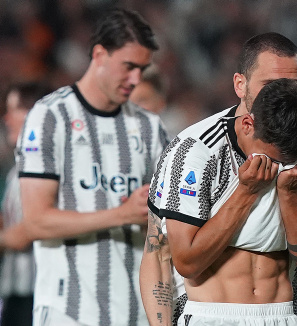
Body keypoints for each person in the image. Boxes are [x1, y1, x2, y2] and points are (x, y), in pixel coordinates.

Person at [141, 32, 297, 326]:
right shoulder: (195, 149)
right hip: (209, 316)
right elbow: (172, 258)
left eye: (293, 85)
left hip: (282, 315)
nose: (283, 95)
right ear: (240, 85)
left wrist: (291, 196)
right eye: (270, 85)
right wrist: (247, 191)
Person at [17, 8, 168, 326]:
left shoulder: (149, 128)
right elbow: (36, 221)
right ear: (99, 54)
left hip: (135, 311)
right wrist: (122, 215)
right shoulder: (48, 117)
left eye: (142, 69)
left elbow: (162, 225)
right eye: (128, 67)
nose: (136, 80)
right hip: (67, 311)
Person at [0, 82, 51, 326]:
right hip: (16, 290)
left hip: (36, 293)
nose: (6, 118)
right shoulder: (17, 167)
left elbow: (25, 232)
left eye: (14, 109)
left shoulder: (43, 166)